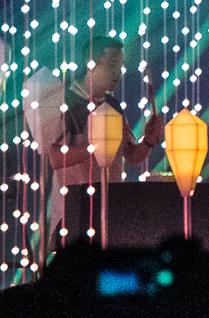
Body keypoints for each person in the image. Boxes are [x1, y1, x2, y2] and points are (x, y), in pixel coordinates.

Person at [48, 36, 164, 248]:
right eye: (112, 65)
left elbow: (132, 157)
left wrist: (148, 141)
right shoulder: (65, 102)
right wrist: (98, 144)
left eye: (120, 66)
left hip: (111, 209)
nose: (118, 73)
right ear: (90, 63)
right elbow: (56, 159)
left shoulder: (113, 105)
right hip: (74, 210)